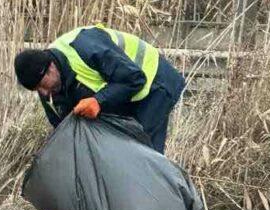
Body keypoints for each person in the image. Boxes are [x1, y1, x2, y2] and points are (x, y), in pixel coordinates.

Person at [13, 25, 185, 154]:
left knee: (144, 153)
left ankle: (161, 198)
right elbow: (64, 128)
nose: (43, 93)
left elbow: (135, 79)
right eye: (36, 90)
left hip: (154, 81)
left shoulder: (85, 46)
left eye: (42, 86)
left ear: (50, 67)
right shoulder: (45, 85)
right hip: (126, 95)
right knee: (119, 154)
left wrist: (98, 101)